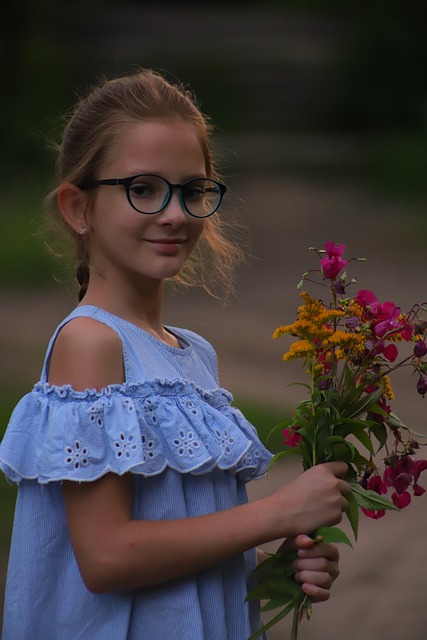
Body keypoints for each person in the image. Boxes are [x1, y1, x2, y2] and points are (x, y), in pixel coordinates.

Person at [0, 69, 349, 640]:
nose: (176, 214)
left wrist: (270, 566)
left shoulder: (194, 355)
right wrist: (276, 513)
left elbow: (177, 542)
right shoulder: (91, 342)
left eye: (192, 190)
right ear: (77, 207)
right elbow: (107, 558)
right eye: (142, 188)